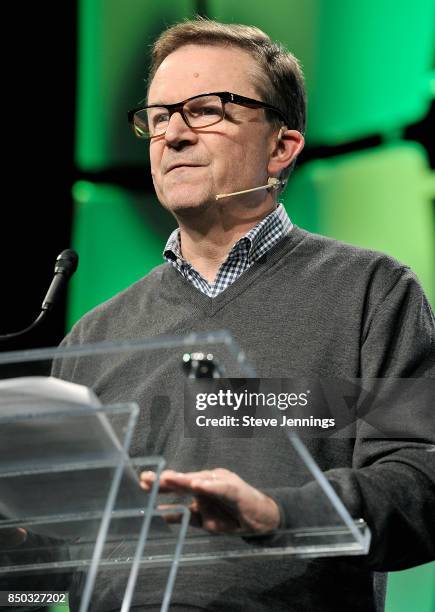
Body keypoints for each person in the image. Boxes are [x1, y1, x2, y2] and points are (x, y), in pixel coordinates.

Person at [53, 17, 434, 612]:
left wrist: (278, 515)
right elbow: (63, 551)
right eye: (157, 118)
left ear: (281, 147)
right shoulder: (93, 336)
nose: (172, 136)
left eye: (205, 110)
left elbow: (421, 484)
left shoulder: (371, 292)